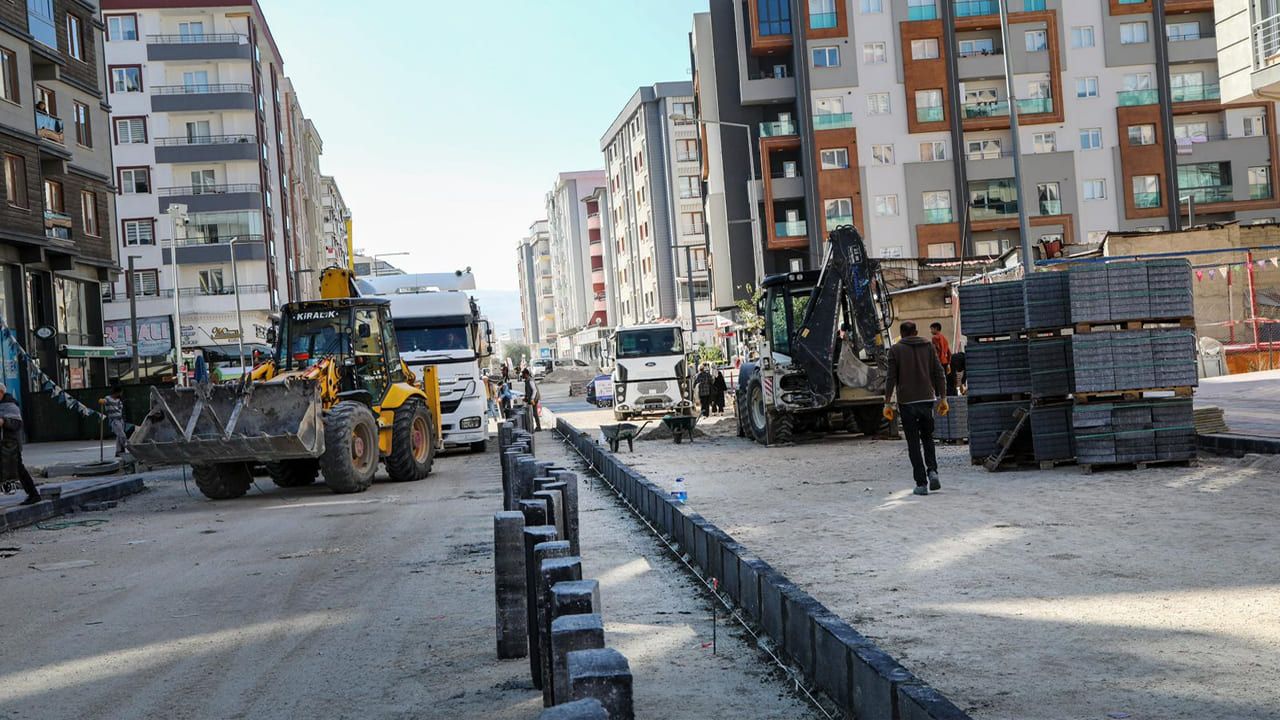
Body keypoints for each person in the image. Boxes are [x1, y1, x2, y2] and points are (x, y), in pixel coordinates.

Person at [884, 321, 949, 496]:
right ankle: (933, 471)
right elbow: (939, 373)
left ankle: (921, 484)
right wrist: (943, 398)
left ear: (902, 334)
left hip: (907, 403)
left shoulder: (895, 350)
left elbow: (891, 378)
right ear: (916, 332)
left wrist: (887, 401)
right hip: (927, 399)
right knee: (927, 438)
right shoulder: (928, 345)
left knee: (913, 443)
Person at [0, 392, 40, 505]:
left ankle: (33, 494)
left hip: (10, 445)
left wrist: (4, 422)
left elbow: (16, 424)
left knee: (19, 469)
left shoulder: (11, 406)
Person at [98, 385, 127, 456]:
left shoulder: (118, 400)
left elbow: (120, 409)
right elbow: (104, 401)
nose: (121, 394)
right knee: (122, 435)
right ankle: (128, 447)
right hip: (114, 420)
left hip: (120, 420)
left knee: (119, 436)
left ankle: (119, 451)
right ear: (117, 392)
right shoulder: (108, 398)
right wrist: (102, 401)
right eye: (121, 392)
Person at [929, 322, 956, 396]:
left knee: (937, 382)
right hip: (945, 362)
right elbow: (949, 353)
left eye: (931, 329)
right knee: (944, 381)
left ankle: (939, 397)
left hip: (938, 362)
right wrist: (948, 364)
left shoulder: (935, 338)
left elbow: (936, 351)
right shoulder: (944, 338)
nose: (931, 331)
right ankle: (944, 396)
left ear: (936, 329)